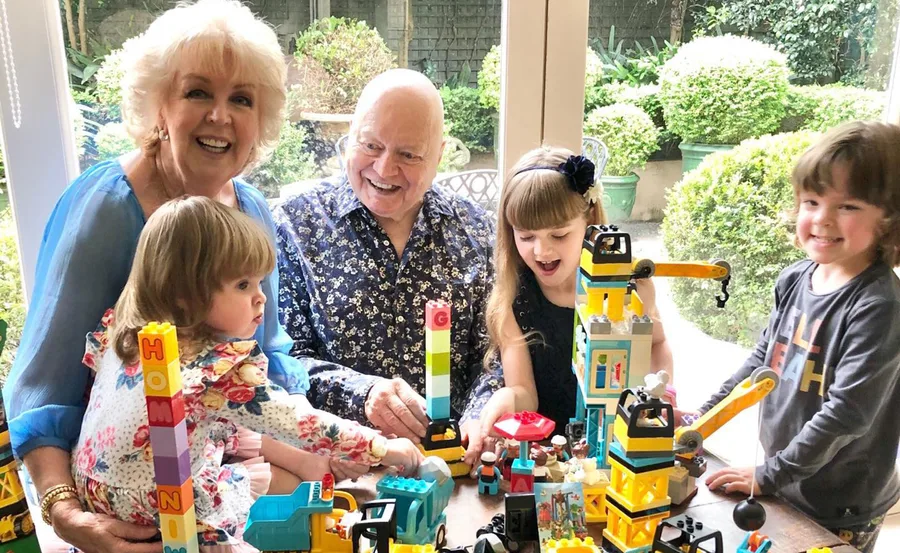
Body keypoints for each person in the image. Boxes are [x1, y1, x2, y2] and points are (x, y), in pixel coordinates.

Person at [1, 3, 360, 552]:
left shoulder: (251, 211)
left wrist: (314, 443)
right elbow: (43, 388)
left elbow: (268, 353)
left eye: (241, 99)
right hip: (127, 506)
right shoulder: (103, 210)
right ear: (158, 106)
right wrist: (65, 513)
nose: (221, 116)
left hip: (219, 470)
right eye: (198, 92)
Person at [72, 196, 422, 551]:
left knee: (249, 469)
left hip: (93, 491)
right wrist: (381, 447)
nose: (261, 298)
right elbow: (300, 423)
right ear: (184, 295)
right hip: (159, 512)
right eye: (243, 285)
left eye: (259, 282)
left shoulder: (127, 332)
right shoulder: (214, 369)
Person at [687, 121, 900, 553]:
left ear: (890, 220)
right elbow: (762, 363)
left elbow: (847, 414)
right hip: (788, 479)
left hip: (839, 501)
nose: (821, 219)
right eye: (812, 200)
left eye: (849, 206)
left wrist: (769, 474)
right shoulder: (795, 279)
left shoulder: (879, 305)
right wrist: (699, 423)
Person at [274, 68, 502, 463]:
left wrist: (480, 418)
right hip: (337, 470)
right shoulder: (294, 225)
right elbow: (280, 359)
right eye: (371, 145)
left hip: (454, 466)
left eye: (408, 155)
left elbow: (498, 356)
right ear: (351, 136)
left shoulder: (478, 233)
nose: (383, 169)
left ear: (440, 155)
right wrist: (360, 393)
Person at [477, 146, 673, 452]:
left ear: (589, 222)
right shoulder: (513, 299)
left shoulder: (628, 287)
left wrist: (661, 390)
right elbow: (525, 392)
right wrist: (508, 397)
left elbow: (657, 344)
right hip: (548, 456)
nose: (541, 251)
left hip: (616, 446)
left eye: (559, 235)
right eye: (526, 236)